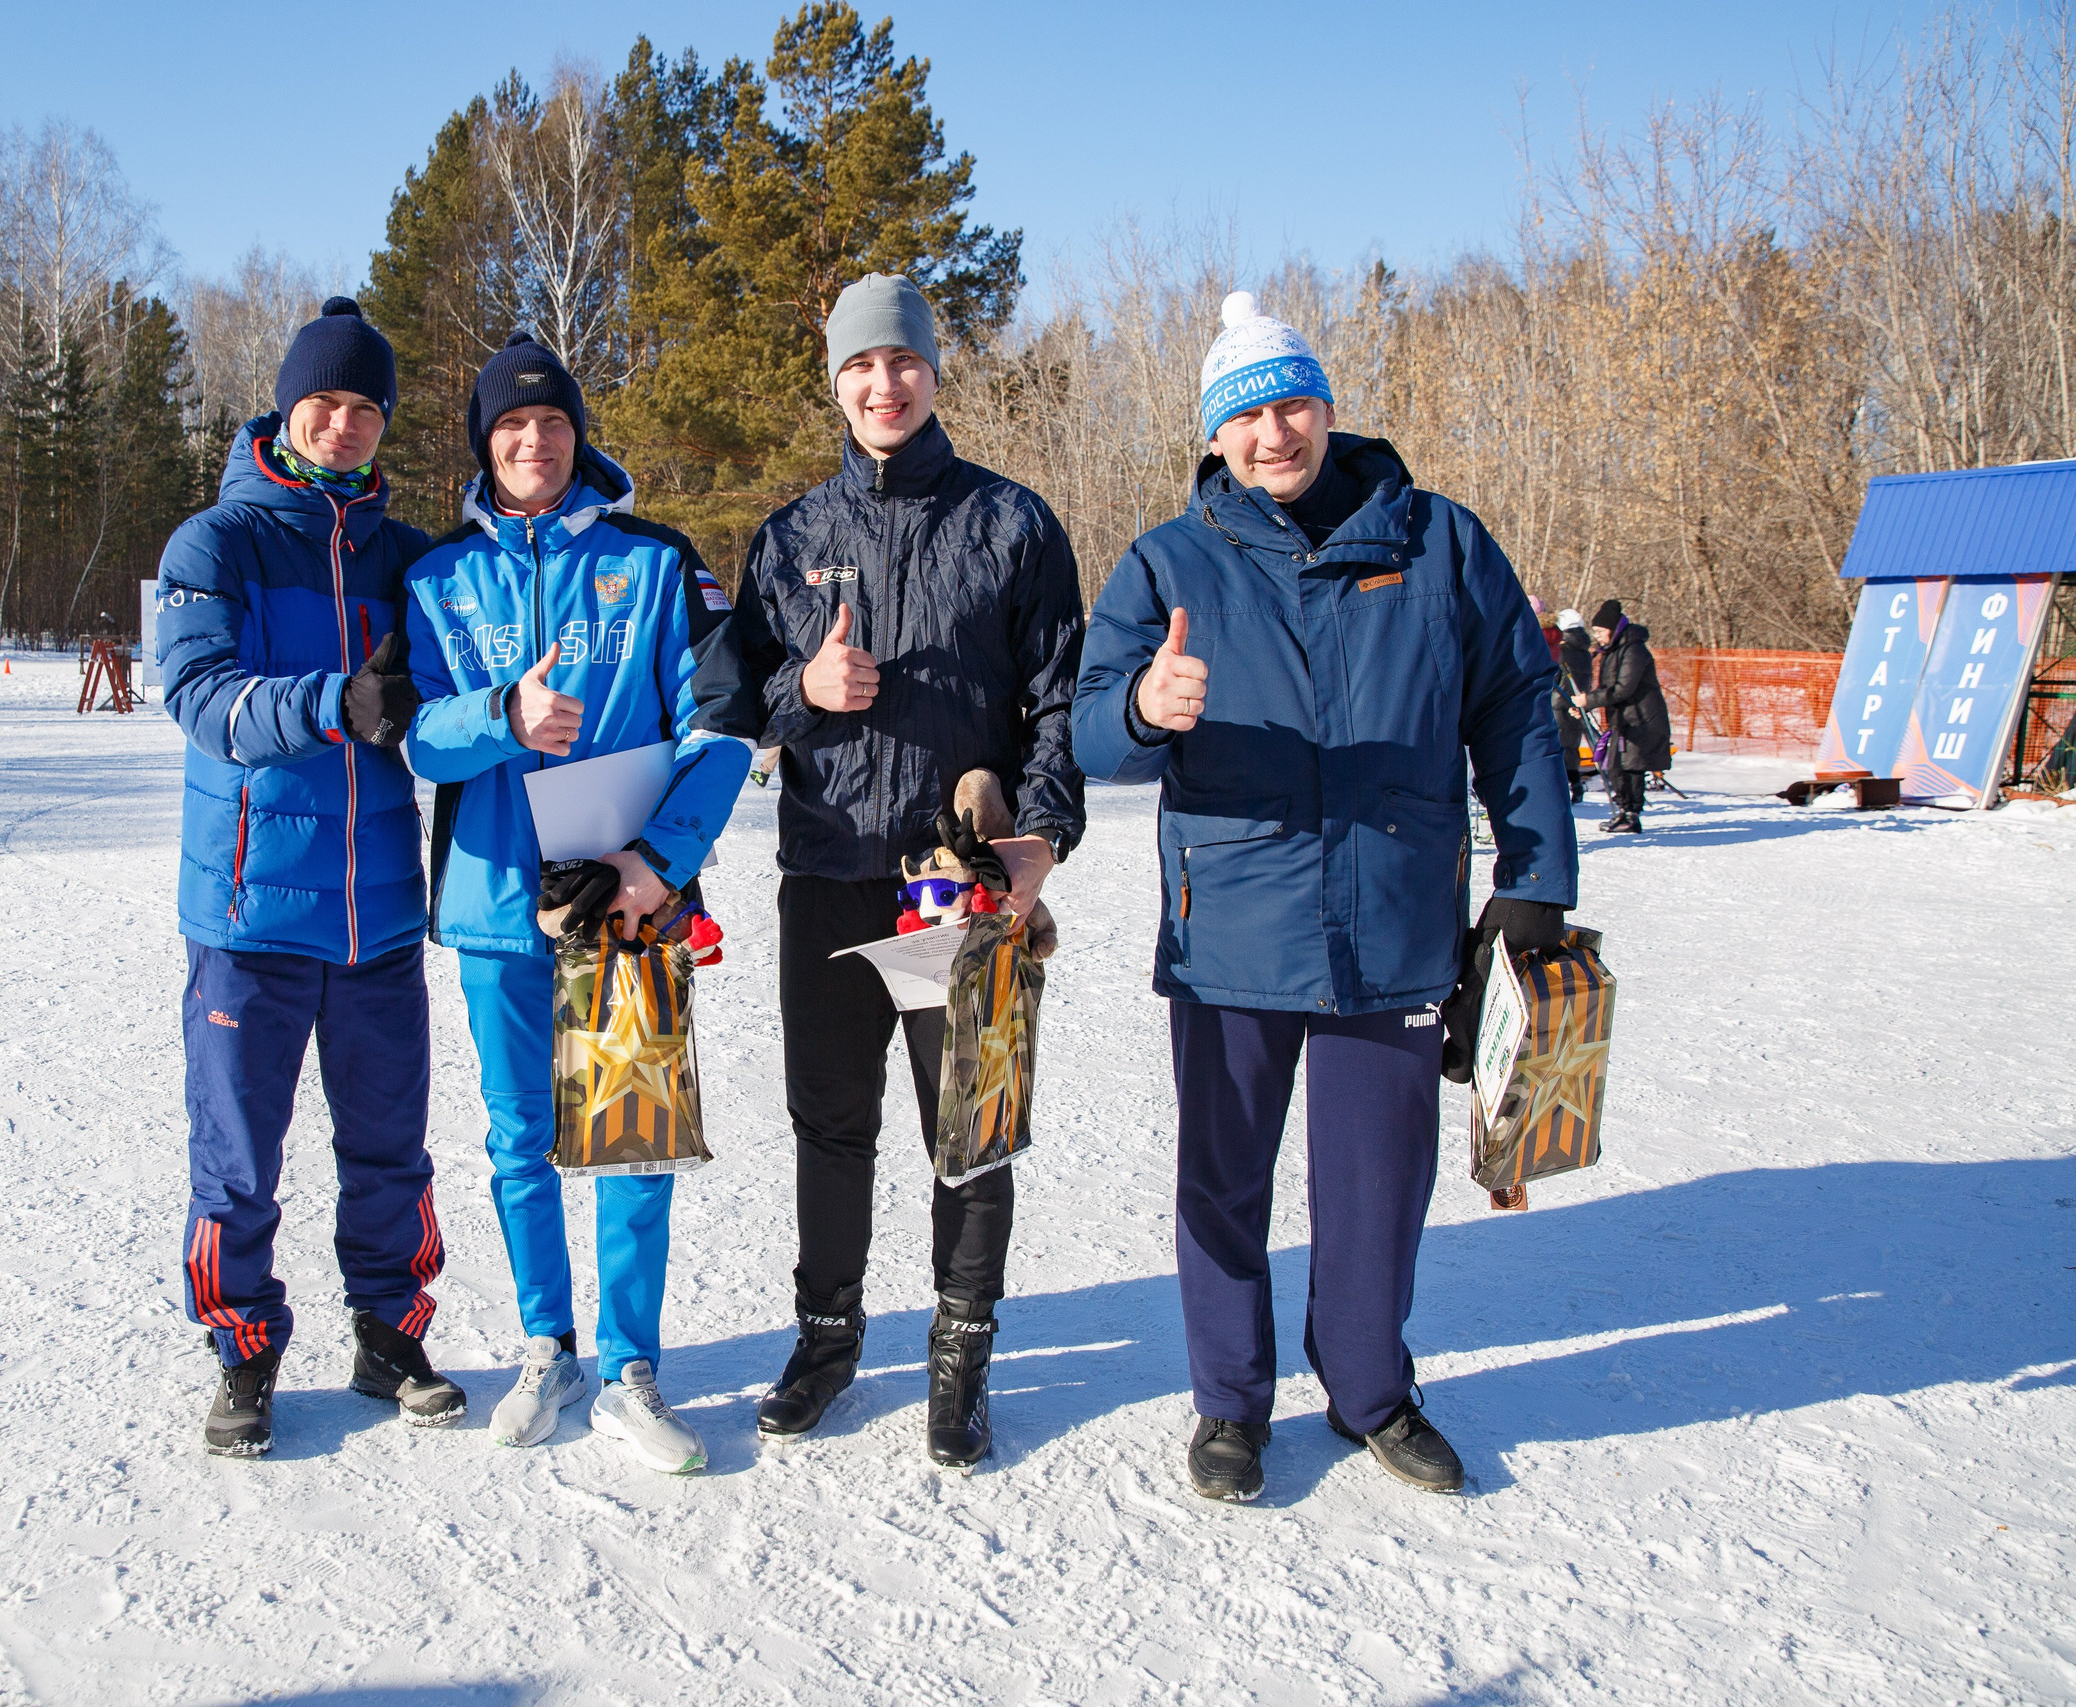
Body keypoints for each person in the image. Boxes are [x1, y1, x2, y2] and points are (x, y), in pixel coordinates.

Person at [1070, 291, 1577, 1502]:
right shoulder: (1168, 560)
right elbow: (1087, 734)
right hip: (1231, 928)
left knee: (1376, 1184)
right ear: (1214, 435)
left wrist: (1534, 881)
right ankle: (1229, 1404)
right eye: (1245, 417)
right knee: (1221, 1182)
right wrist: (1144, 709)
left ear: (1326, 408)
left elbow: (1517, 710)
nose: (1273, 435)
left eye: (1291, 405)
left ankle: (1369, 1392)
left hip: (1393, 923)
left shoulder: (1437, 542)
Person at [730, 273, 1086, 1469]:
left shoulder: (1012, 524)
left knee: (970, 1128)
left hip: (956, 883)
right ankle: (826, 1341)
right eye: (860, 366)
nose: (883, 384)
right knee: (830, 1125)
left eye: (902, 361)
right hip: (828, 874)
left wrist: (1040, 833)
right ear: (834, 381)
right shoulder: (789, 538)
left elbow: (1057, 704)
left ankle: (960, 1357)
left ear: (933, 370)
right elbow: (733, 702)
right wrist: (804, 692)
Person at [401, 333, 757, 1475]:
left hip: (630, 901)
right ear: (483, 443)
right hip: (496, 901)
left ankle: (630, 1367)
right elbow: (417, 735)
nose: (532, 441)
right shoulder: (439, 576)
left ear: (578, 435)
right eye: (510, 425)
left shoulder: (655, 562)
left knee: (632, 1138)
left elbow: (721, 727)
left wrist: (661, 860)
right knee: (519, 1136)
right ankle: (546, 1347)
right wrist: (500, 717)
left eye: (551, 422)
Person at [155, 297, 461, 1457]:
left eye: (365, 408)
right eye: (323, 403)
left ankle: (390, 1336)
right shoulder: (217, 544)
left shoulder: (407, 557)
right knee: (239, 1160)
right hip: (249, 917)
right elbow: (202, 699)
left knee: (390, 1151)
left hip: (376, 917)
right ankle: (242, 1350)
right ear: (286, 408)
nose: (342, 424)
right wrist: (339, 701)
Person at [1584, 600, 1671, 833]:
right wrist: (1587, 704)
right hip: (1624, 718)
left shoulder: (1633, 649)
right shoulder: (1613, 650)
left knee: (1631, 766)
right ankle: (1624, 812)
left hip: (1641, 719)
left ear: (1613, 629)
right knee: (1616, 767)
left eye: (1600, 631)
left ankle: (1631, 816)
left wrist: (1589, 700)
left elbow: (1623, 688)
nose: (1597, 637)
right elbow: (1609, 687)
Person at [1554, 608, 1593, 804]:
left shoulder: (1562, 651)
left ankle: (1558, 790)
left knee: (1556, 748)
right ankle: (1576, 785)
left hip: (1557, 704)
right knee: (1571, 747)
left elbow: (1554, 677)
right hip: (1576, 704)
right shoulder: (1585, 652)